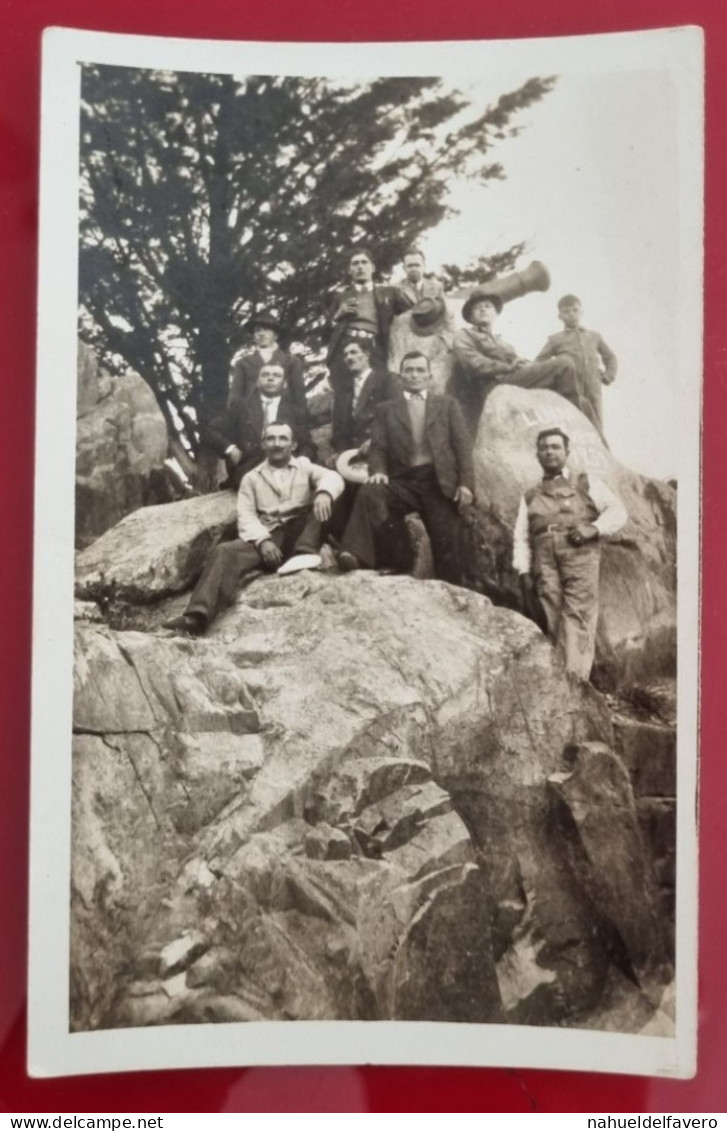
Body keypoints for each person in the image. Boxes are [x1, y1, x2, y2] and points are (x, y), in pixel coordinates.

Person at [162, 423, 344, 636]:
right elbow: (246, 515)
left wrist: (324, 493)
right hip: (270, 535)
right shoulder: (252, 477)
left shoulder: (304, 466)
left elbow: (334, 477)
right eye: (271, 439)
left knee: (326, 499)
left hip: (300, 532)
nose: (277, 444)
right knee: (225, 551)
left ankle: (304, 553)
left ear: (293, 445)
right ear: (263, 444)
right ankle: (196, 616)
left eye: (283, 439)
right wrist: (262, 541)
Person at [338, 351, 474, 585]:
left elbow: (463, 446)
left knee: (449, 547)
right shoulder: (386, 409)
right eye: (409, 370)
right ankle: (357, 554)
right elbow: (379, 446)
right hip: (403, 481)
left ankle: (454, 594)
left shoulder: (447, 405)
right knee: (372, 492)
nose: (414, 375)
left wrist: (465, 484)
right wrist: (378, 471)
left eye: (420, 370)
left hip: (439, 483)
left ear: (430, 376)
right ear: (401, 375)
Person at [513, 427, 627, 680]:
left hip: (580, 554)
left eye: (555, 447)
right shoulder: (530, 494)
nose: (549, 452)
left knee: (577, 616)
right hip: (544, 559)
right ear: (537, 455)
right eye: (544, 448)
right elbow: (521, 536)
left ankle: (573, 687)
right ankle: (563, 684)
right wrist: (522, 570)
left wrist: (592, 528)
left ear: (567, 452)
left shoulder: (585, 482)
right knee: (552, 616)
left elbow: (618, 512)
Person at [450, 289, 585, 434]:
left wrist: (525, 365)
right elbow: (474, 364)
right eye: (477, 308)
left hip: (510, 381)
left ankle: (571, 418)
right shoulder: (464, 335)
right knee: (564, 363)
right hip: (491, 387)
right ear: (470, 317)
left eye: (487, 306)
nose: (483, 309)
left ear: (495, 313)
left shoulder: (502, 343)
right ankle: (573, 421)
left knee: (583, 400)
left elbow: (517, 362)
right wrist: (508, 367)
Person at [207, 363, 314, 489]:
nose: (270, 378)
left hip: (285, 468)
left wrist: (302, 460)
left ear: (284, 384)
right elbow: (212, 430)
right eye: (265, 375)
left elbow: (307, 444)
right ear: (257, 382)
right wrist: (231, 450)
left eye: (276, 375)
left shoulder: (295, 411)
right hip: (249, 469)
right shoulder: (241, 407)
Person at [536, 294, 618, 437]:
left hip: (593, 391)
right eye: (566, 311)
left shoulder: (594, 336)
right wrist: (554, 383)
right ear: (560, 316)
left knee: (597, 429)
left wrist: (608, 376)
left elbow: (610, 358)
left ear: (581, 312)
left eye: (575, 310)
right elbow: (539, 363)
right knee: (571, 428)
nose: (571, 314)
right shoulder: (555, 339)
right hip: (569, 392)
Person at [326, 249, 400, 393]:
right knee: (344, 395)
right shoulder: (341, 297)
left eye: (364, 262)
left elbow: (412, 312)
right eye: (355, 263)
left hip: (375, 347)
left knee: (376, 392)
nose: (360, 266)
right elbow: (325, 334)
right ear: (350, 270)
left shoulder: (388, 294)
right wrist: (337, 315)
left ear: (372, 268)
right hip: (345, 346)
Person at [229, 309, 308, 415]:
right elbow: (235, 399)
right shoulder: (243, 363)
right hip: (250, 421)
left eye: (266, 329)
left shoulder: (292, 362)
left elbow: (299, 399)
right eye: (257, 330)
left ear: (276, 335)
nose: (261, 334)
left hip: (283, 419)